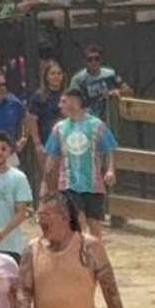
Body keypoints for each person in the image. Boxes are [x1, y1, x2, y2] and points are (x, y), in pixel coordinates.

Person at [42, 85, 117, 226]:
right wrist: (45, 182)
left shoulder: (96, 125)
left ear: (74, 102)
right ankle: (78, 247)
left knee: (93, 224)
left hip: (93, 183)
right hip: (69, 182)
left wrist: (111, 169)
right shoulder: (59, 128)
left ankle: (93, 247)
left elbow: (109, 147)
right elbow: (51, 155)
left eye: (63, 102)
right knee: (77, 219)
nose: (60, 106)